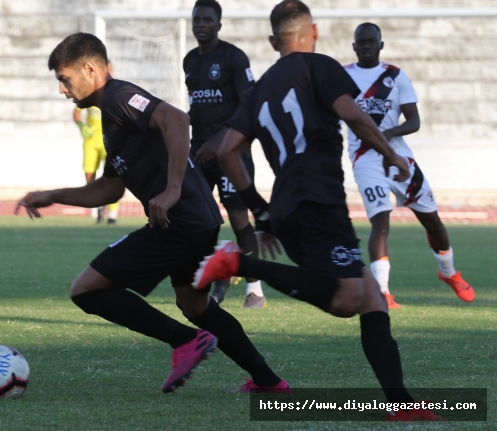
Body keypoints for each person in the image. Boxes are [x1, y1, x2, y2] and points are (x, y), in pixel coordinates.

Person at [194, 1, 442, 421]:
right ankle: (234, 261)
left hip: (290, 207)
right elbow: (357, 118)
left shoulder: (259, 90)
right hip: (318, 202)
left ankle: (400, 405)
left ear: (274, 42)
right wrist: (393, 156)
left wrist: (260, 210)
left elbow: (227, 149)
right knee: (347, 300)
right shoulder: (320, 66)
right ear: (314, 31)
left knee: (372, 300)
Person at [17, 32, 289, 394]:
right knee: (195, 305)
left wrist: (172, 188)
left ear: (90, 69)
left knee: (86, 289)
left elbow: (176, 119)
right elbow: (110, 188)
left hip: (181, 223)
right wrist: (53, 195)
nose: (62, 90)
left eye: (64, 79)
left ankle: (185, 342)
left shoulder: (117, 96)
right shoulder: (109, 119)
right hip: (196, 223)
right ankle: (270, 383)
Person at [345, 23, 475, 308]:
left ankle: (449, 272)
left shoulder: (395, 76)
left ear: (381, 44)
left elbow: (414, 121)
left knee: (432, 219)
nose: (366, 46)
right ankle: (382, 292)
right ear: (354, 46)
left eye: (371, 41)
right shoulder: (344, 76)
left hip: (400, 157)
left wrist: (390, 134)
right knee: (380, 221)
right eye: (361, 42)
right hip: (364, 158)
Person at [184, 0, 267, 308]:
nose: (201, 24)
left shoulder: (233, 57)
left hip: (233, 151)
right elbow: (198, 106)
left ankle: (255, 288)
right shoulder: (190, 61)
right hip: (200, 153)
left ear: (219, 24)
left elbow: (249, 107)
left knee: (237, 216)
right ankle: (211, 272)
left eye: (207, 19)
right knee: (197, 216)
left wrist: (220, 141)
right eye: (197, 19)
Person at [73, 105, 119, 224]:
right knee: (89, 178)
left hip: (108, 140)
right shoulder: (89, 97)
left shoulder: (109, 95)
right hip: (90, 141)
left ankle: (112, 216)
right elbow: (76, 112)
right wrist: (81, 126)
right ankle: (99, 207)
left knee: (113, 177)